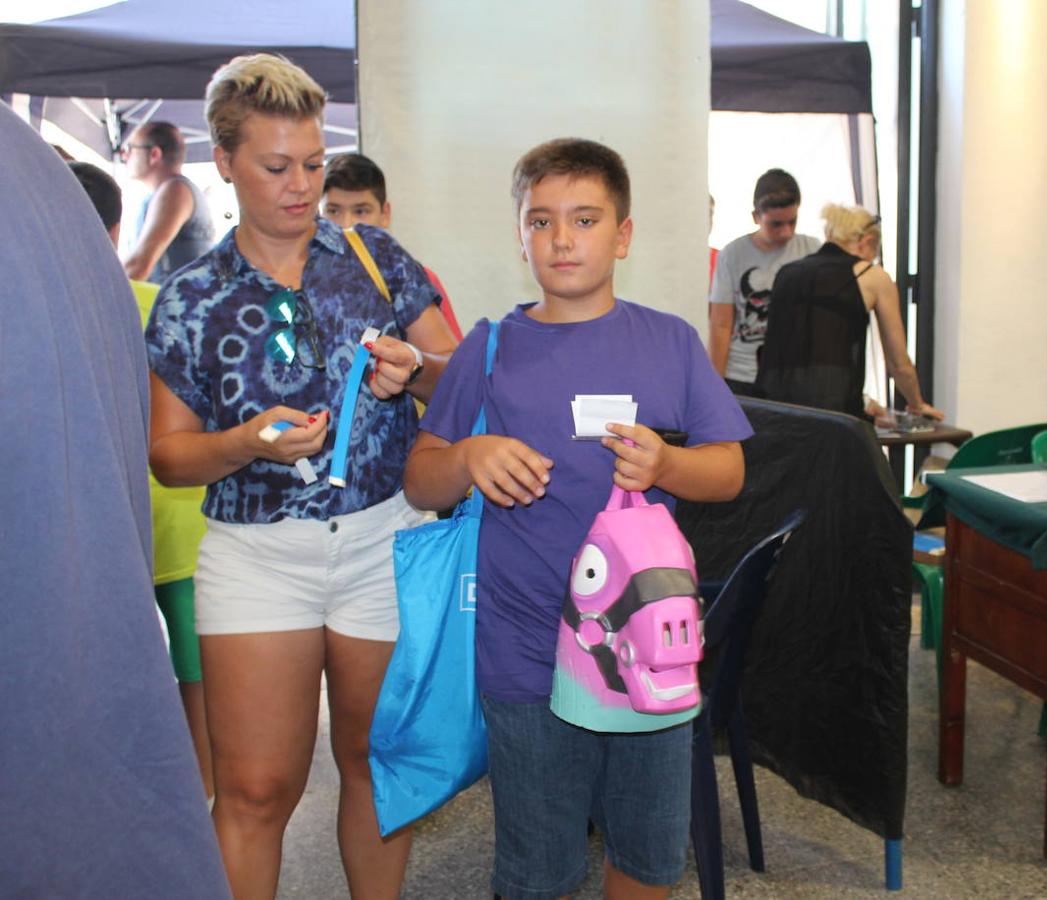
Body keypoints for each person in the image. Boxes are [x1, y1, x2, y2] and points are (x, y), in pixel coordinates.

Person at [143, 53, 457, 898]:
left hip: (379, 542)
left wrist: (412, 368)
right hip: (255, 559)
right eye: (276, 166)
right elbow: (168, 455)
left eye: (314, 164)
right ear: (226, 162)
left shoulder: (375, 256)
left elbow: (459, 379)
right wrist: (243, 442)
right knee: (253, 790)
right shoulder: (190, 297)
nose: (301, 185)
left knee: (374, 764)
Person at [404, 138, 750, 900]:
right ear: (520, 234)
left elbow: (729, 470)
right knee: (537, 868)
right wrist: (469, 459)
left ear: (623, 234)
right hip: (526, 652)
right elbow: (422, 480)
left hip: (646, 653)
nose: (562, 238)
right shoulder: (488, 350)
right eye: (541, 221)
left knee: (648, 854)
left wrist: (668, 465)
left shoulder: (669, 342)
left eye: (585, 219)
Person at [1, 104, 229, 898]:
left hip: (137, 541)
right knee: (167, 692)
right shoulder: (47, 197)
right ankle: (193, 800)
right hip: (142, 544)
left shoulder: (151, 260)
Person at [69, 160, 214, 798]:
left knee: (95, 677)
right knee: (196, 675)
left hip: (93, 529)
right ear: (118, 222)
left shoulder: (37, 307)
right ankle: (204, 801)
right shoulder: (163, 304)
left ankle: (112, 800)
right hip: (182, 521)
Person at [757, 204, 942, 422]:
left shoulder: (787, 272)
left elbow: (799, 355)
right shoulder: (871, 275)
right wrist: (917, 404)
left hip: (775, 408)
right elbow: (898, 363)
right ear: (867, 243)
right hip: (836, 414)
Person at [321, 152, 465, 342]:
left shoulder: (417, 280)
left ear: (385, 214)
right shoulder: (298, 279)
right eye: (333, 211)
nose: (347, 224)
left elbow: (453, 363)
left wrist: (413, 362)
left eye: (361, 211)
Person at [708, 168, 820, 394]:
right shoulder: (732, 255)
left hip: (795, 375)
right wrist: (714, 388)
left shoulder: (812, 249)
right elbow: (720, 325)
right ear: (756, 217)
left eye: (792, 221)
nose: (786, 232)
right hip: (742, 375)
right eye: (776, 224)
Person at [120, 120, 217, 282]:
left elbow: (137, 266)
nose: (124, 155)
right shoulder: (170, 191)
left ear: (154, 155)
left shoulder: (175, 190)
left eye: (130, 148)